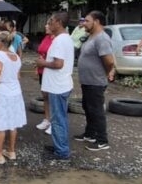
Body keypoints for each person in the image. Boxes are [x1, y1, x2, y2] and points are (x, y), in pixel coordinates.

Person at [37, 10, 75, 160]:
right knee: (60, 118)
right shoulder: (65, 38)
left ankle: (62, 151)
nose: (49, 24)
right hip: (61, 84)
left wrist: (43, 63)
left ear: (59, 23)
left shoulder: (60, 40)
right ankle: (60, 145)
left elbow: (58, 64)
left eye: (51, 21)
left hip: (58, 86)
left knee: (58, 119)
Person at [77, 9, 116, 151]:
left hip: (96, 81)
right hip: (87, 80)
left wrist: (105, 73)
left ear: (97, 22)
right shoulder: (91, 36)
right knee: (88, 108)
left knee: (96, 110)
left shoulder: (102, 38)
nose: (84, 23)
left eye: (87, 21)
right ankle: (90, 134)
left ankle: (102, 140)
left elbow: (109, 61)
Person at [0, 30, 26, 164]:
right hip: (16, 91)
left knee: (1, 122)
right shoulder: (15, 56)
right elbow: (18, 75)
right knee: (13, 123)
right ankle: (11, 151)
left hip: (2, 91)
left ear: (1, 42)